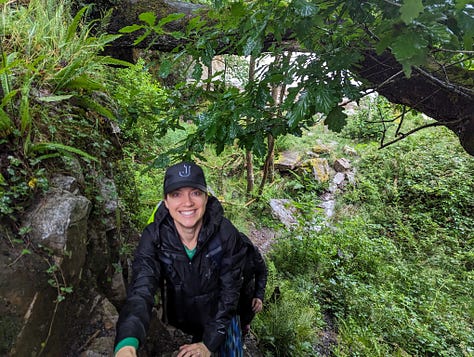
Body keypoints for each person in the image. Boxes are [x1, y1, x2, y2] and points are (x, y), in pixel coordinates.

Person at [114, 162, 247, 357]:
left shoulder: (225, 234)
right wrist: (126, 342)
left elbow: (230, 292)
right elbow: (142, 288)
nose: (187, 202)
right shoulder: (154, 237)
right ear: (166, 202)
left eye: (195, 192)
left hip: (223, 316)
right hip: (187, 317)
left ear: (206, 198)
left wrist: (208, 344)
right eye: (176, 194)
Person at [237, 232, 268, 338]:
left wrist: (259, 296)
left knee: (242, 325)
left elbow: (262, 271)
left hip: (245, 294)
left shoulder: (252, 252)